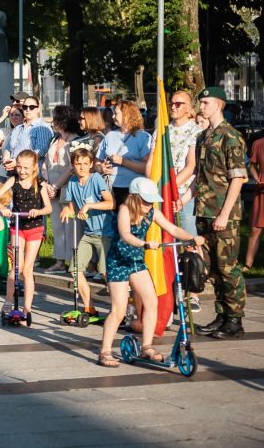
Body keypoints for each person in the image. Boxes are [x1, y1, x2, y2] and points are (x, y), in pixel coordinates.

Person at [97, 178, 203, 367]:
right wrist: (144, 244)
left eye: (151, 201)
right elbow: (125, 234)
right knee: (119, 310)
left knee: (151, 301)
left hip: (137, 262)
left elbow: (172, 228)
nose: (149, 205)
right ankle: (105, 351)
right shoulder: (124, 210)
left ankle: (147, 347)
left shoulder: (153, 212)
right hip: (118, 261)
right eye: (145, 201)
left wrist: (192, 239)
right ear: (134, 197)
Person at [194, 86, 248, 339]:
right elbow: (199, 176)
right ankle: (222, 315)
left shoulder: (231, 136)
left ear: (219, 105)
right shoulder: (203, 137)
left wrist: (224, 214)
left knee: (228, 268)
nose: (201, 107)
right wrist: (185, 197)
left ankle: (235, 320)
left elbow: (238, 178)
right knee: (213, 269)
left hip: (224, 213)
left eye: (205, 103)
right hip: (205, 211)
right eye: (200, 103)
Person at [147, 89, 203, 311]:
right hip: (159, 194)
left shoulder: (195, 131)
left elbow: (191, 166)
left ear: (190, 109)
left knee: (188, 240)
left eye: (180, 104)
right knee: (164, 242)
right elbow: (151, 160)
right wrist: (152, 186)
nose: (174, 106)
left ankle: (193, 291)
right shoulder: (162, 131)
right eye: (172, 103)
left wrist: (171, 190)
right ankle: (167, 286)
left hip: (182, 193)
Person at [0, 149, 52, 323]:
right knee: (16, 268)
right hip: (17, 226)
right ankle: (8, 301)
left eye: (26, 168)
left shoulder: (39, 184)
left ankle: (27, 306)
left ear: (34, 168)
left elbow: (48, 208)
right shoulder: (13, 180)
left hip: (34, 228)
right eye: (19, 167)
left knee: (27, 269)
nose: (22, 171)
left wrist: (38, 211)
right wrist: (3, 208)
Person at [61, 147, 115, 318]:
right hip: (89, 232)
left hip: (105, 232)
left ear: (91, 164)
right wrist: (66, 210)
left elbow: (110, 203)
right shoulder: (72, 183)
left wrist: (90, 205)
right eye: (78, 164)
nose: (82, 167)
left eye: (85, 163)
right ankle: (89, 308)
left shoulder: (96, 178)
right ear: (73, 166)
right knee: (75, 269)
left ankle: (120, 308)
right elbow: (71, 207)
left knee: (106, 272)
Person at [42, 105, 83, 273]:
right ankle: (59, 261)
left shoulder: (76, 140)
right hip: (51, 188)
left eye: (55, 117)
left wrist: (56, 185)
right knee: (57, 227)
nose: (53, 121)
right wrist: (45, 181)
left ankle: (74, 261)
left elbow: (72, 167)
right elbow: (46, 162)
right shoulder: (54, 139)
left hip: (67, 188)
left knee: (71, 226)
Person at [96, 100, 152, 203]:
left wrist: (123, 162)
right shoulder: (109, 135)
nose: (113, 117)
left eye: (116, 113)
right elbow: (97, 162)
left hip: (133, 191)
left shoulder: (144, 137)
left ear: (127, 115)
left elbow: (146, 168)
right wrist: (101, 168)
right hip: (109, 190)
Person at [1, 95, 52, 174]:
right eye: (25, 107)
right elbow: (8, 148)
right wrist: (5, 160)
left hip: (32, 175)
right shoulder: (18, 128)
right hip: (14, 173)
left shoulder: (42, 127)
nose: (28, 109)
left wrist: (18, 162)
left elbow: (40, 152)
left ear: (38, 109)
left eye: (32, 107)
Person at [247, 134, 264, 274]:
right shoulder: (258, 144)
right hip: (262, 190)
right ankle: (248, 264)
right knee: (255, 229)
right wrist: (257, 178)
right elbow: (251, 165)